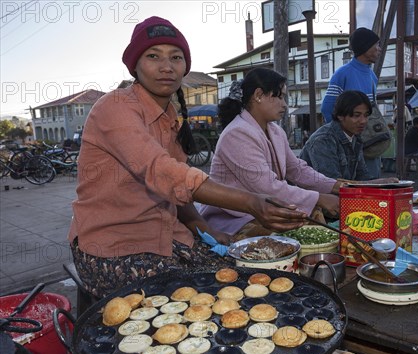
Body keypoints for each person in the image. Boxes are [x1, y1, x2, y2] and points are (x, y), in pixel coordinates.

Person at [68, 17, 306, 298]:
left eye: (176, 57)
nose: (167, 67)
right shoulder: (115, 107)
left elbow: (177, 190)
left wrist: (203, 227)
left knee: (245, 280)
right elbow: (163, 172)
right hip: (114, 246)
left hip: (168, 235)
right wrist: (250, 202)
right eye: (153, 56)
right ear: (135, 65)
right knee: (194, 301)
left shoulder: (171, 118)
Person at [199, 67, 340, 240]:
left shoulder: (275, 131)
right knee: (302, 230)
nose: (285, 104)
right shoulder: (237, 133)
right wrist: (319, 198)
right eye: (279, 96)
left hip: (263, 211)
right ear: (258, 95)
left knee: (314, 218)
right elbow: (267, 186)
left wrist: (337, 186)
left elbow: (297, 170)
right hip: (234, 220)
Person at [321, 27, 383, 179]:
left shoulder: (372, 75)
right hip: (350, 144)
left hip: (370, 141)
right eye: (376, 45)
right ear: (365, 46)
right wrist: (344, 139)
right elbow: (327, 108)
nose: (379, 49)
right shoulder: (343, 73)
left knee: (372, 181)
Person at [300, 90, 400, 182]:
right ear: (340, 115)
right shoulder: (323, 140)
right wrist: (376, 183)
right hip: (317, 199)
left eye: (366, 115)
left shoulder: (355, 137)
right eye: (356, 115)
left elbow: (362, 177)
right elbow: (332, 184)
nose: (363, 121)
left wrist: (381, 184)